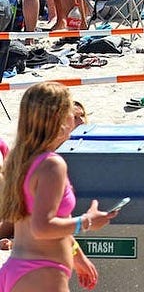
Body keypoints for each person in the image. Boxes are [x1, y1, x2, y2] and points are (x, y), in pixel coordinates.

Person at [0, 82, 121, 292]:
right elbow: (42, 226)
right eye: (70, 113)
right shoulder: (51, 165)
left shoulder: (20, 159)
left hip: (20, 269)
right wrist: (87, 222)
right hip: (42, 274)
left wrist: (77, 256)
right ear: (59, 119)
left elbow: (36, 221)